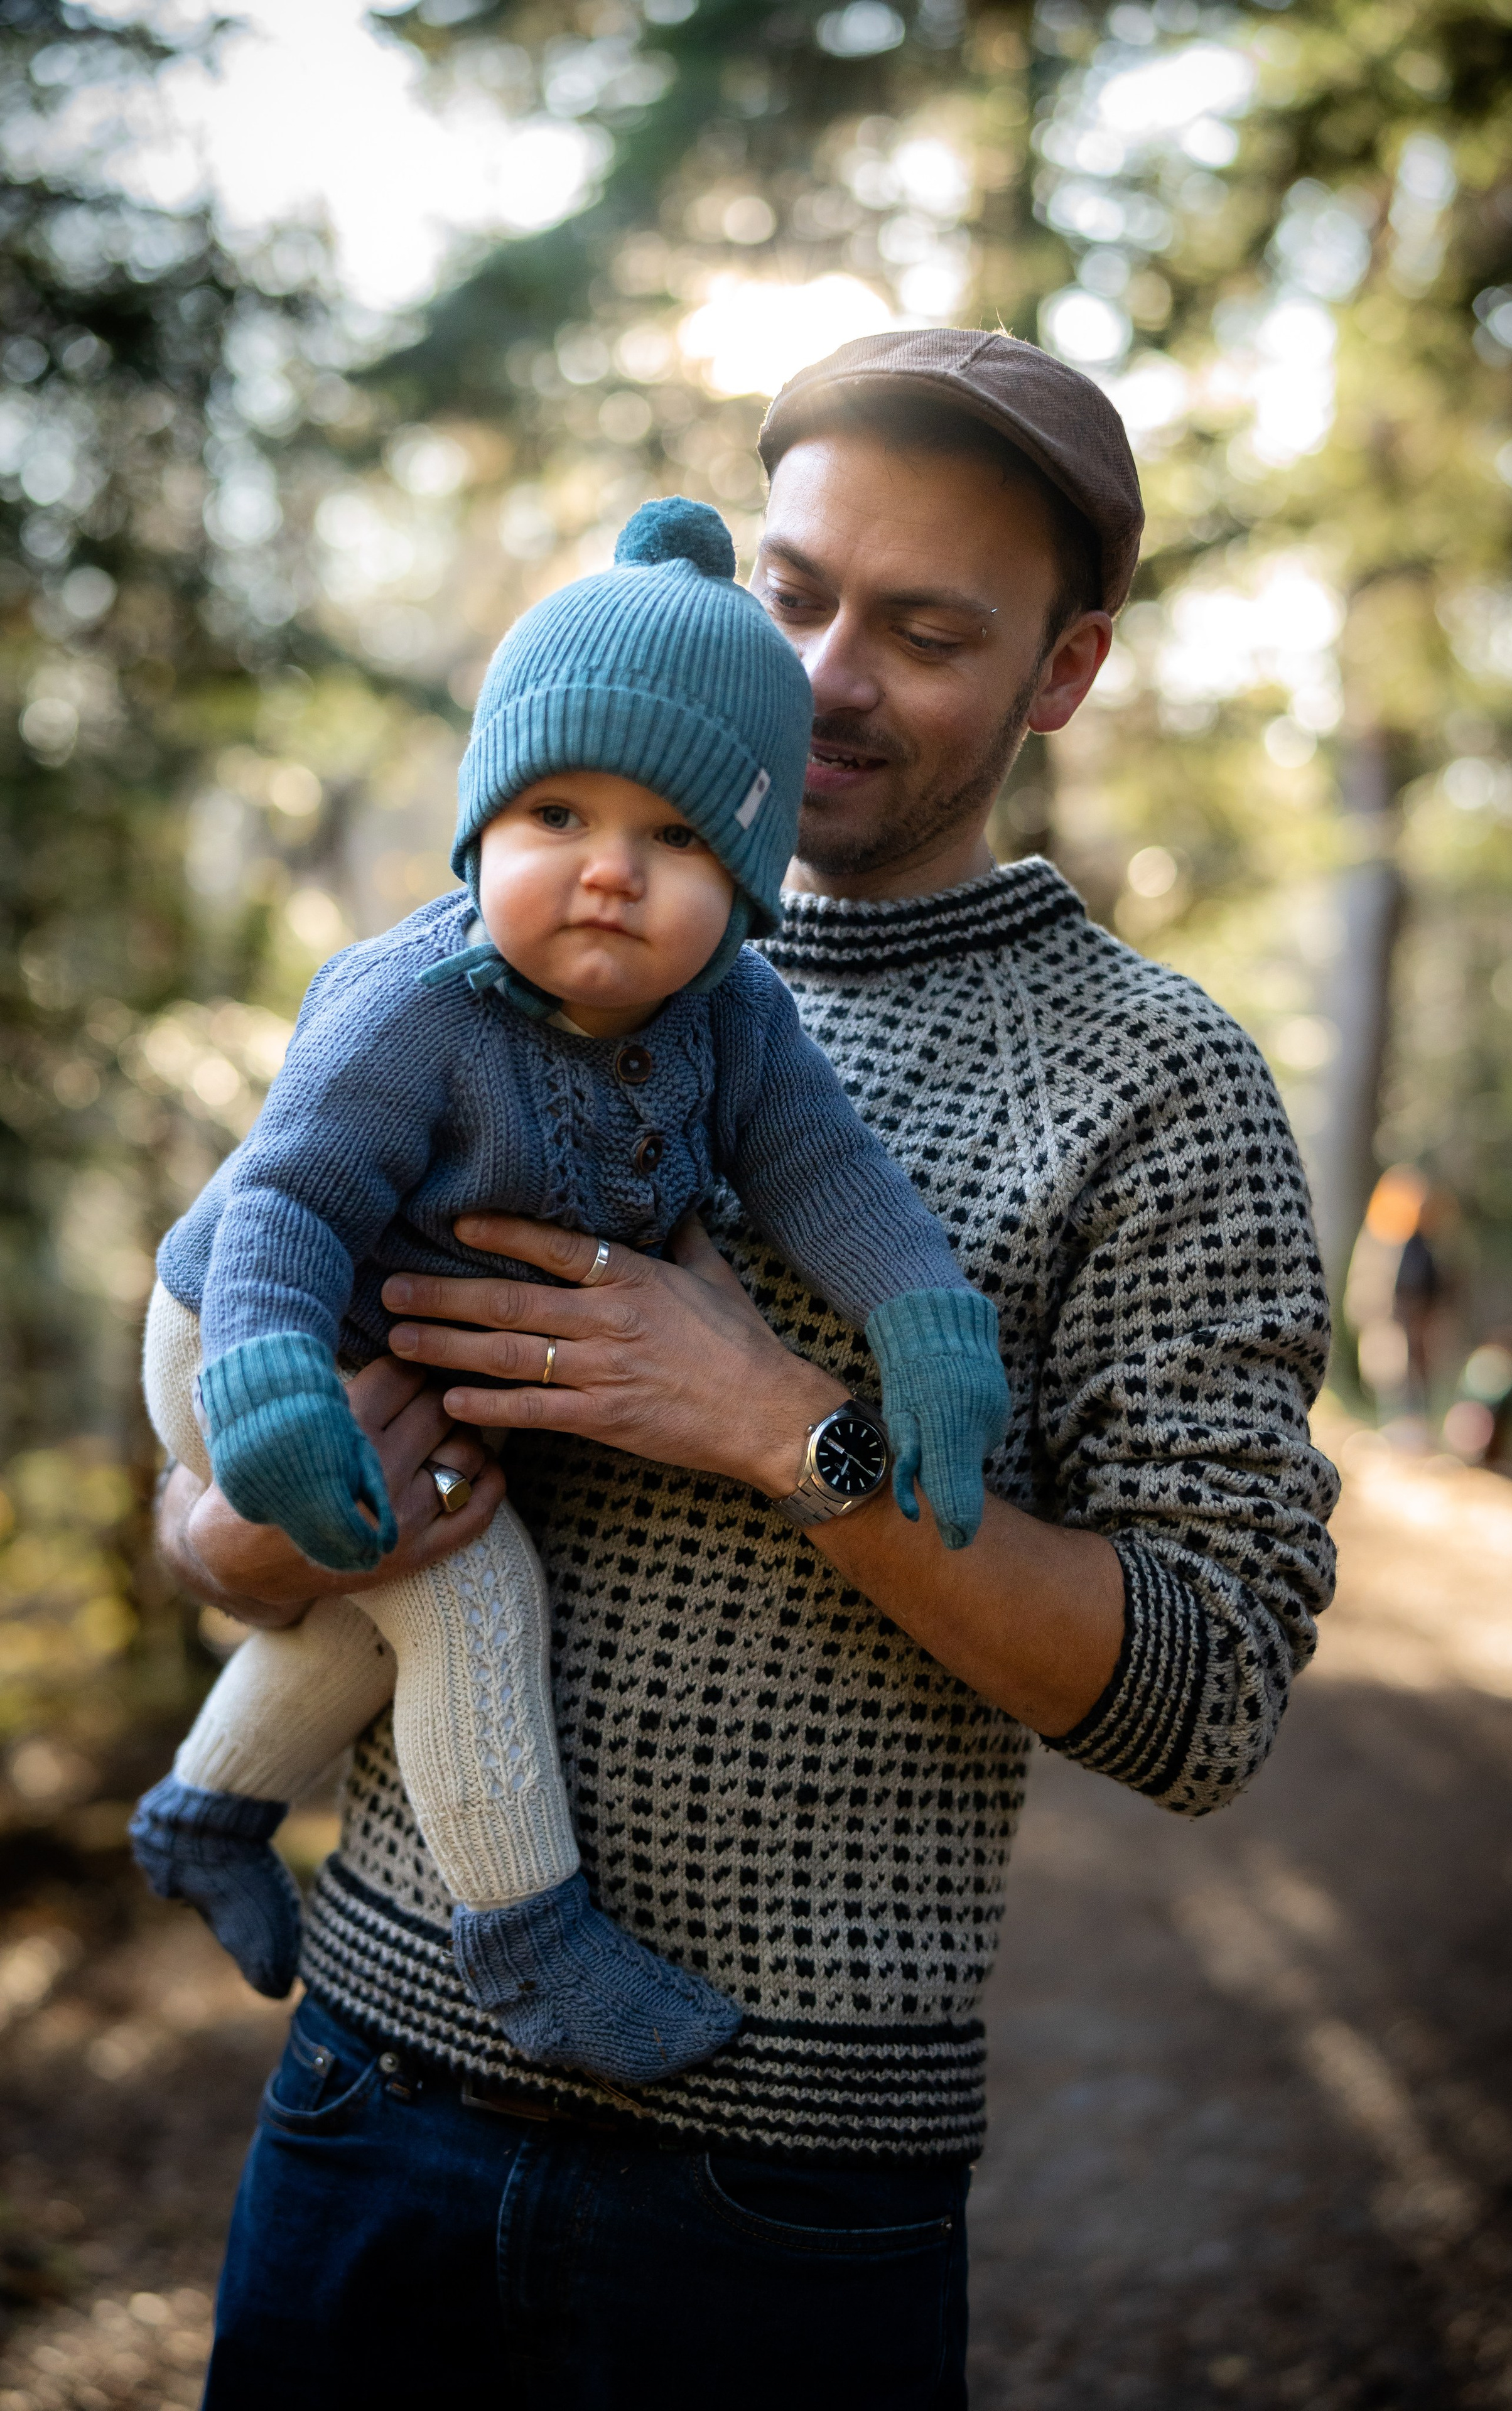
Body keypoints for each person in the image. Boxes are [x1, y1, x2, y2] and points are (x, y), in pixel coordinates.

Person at [159, 329, 1338, 2411]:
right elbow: (226, 1460)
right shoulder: (501, 935)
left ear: (1062, 673)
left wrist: (785, 1430)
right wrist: (251, 1531)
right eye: (791, 595)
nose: (814, 680)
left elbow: (1214, 1684)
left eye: (925, 629)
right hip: (364, 2091)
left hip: (784, 2189)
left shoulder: (1160, 1085)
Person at [127, 496, 1007, 2088]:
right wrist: (260, 1383)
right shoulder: (413, 1004)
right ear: (482, 832)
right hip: (247, 1322)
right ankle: (529, 1950)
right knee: (471, 1599)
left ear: (743, 879)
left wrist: (923, 1319)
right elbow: (288, 1196)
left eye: (674, 837)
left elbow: (828, 1177)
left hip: (385, 1349)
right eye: (556, 816)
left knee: (370, 1597)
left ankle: (202, 1814)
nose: (610, 874)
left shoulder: (734, 1019)